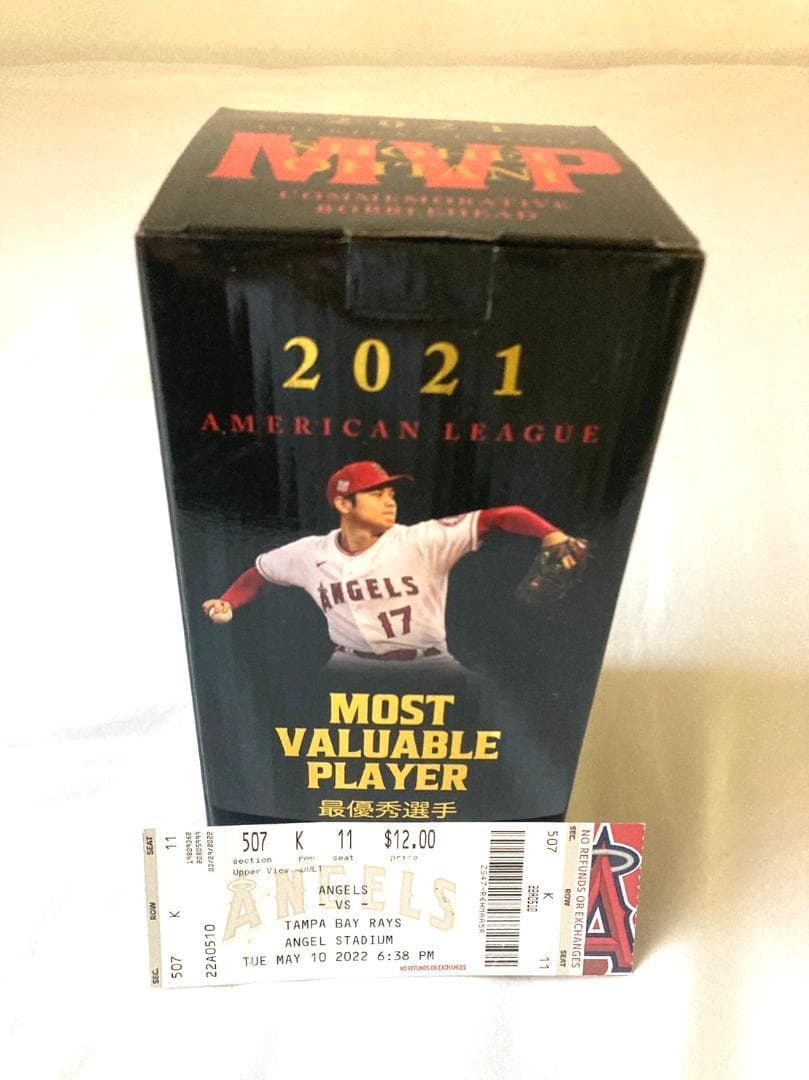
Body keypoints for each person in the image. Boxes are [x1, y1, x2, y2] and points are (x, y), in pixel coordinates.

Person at [202, 460, 577, 664]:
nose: (390, 502)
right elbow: (259, 574)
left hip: (430, 667)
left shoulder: (423, 539)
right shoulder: (308, 553)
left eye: (392, 494)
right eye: (377, 494)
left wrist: (550, 534)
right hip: (350, 668)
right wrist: (228, 601)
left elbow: (499, 517)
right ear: (343, 503)